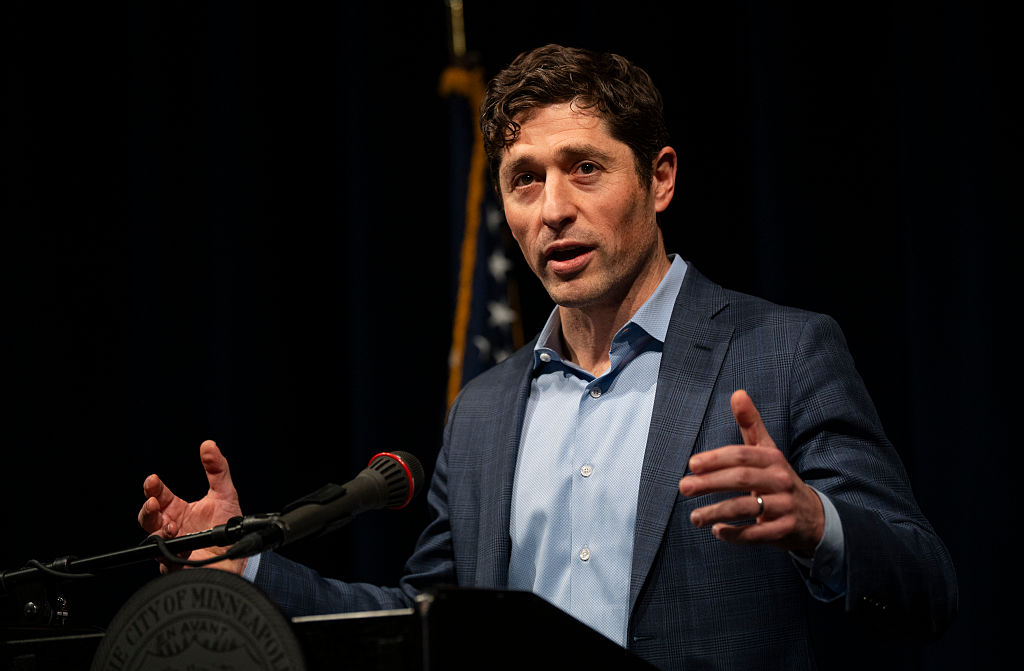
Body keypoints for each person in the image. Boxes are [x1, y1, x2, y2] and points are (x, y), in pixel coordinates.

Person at [139, 44, 957, 669]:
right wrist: (247, 567)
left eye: (585, 168)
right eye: (524, 180)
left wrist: (817, 524)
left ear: (660, 179)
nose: (552, 209)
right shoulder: (485, 409)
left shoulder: (783, 352)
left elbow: (926, 587)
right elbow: (425, 617)